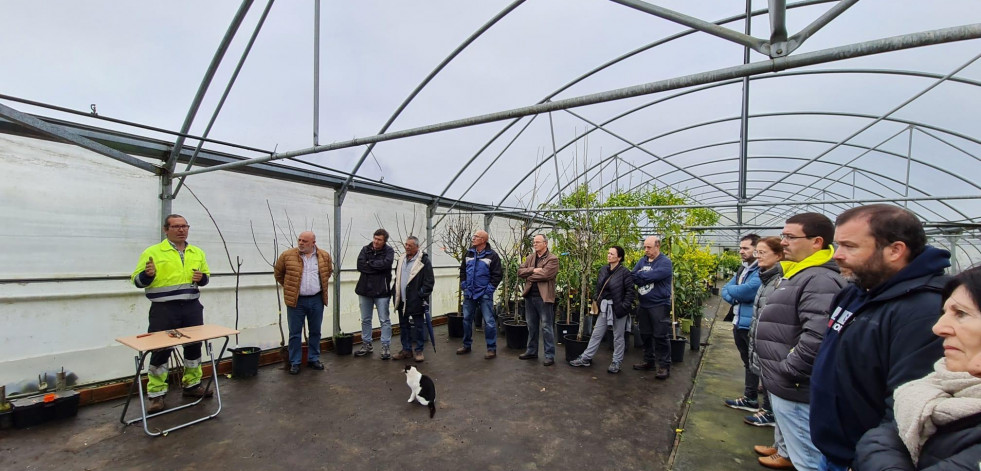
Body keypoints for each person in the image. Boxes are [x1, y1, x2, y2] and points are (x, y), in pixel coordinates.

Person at [810, 205, 950, 471]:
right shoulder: (855, 292)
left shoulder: (925, 311)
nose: (837, 255)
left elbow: (906, 406)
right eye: (838, 244)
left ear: (895, 250)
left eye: (849, 246)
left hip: (862, 460)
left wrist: (866, 460)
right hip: (833, 451)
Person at [854, 266, 981, 470]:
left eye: (961, 314)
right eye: (945, 312)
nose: (938, 328)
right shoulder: (931, 387)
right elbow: (881, 438)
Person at [756, 212, 846, 471]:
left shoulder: (820, 279)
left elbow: (818, 336)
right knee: (798, 451)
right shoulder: (799, 272)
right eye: (783, 235)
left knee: (808, 460)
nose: (783, 242)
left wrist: (789, 369)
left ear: (817, 242)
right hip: (787, 382)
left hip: (796, 383)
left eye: (790, 236)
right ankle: (783, 452)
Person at [131, 214, 212, 413]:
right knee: (160, 349)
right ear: (166, 230)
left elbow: (206, 278)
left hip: (192, 307)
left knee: (193, 347)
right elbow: (137, 281)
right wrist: (147, 275)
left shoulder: (197, 252)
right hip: (164, 309)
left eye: (184, 226)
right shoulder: (153, 252)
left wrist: (201, 278)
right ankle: (157, 394)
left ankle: (192, 385)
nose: (181, 230)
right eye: (176, 226)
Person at [747, 237, 792, 469]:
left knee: (786, 406)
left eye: (762, 252)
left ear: (779, 255)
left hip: (779, 351)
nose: (758, 256)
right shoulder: (768, 278)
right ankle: (781, 447)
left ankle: (787, 452)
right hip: (766, 345)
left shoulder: (783, 280)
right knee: (778, 403)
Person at [274, 231, 333, 375]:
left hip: (316, 299)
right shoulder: (287, 256)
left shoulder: (324, 256)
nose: (301, 243)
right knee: (294, 333)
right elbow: (278, 274)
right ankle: (295, 362)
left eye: (305, 241)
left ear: (313, 243)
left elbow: (328, 272)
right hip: (296, 300)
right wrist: (291, 288)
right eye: (299, 240)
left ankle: (313, 358)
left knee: (315, 331)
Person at [569, 246, 636, 374]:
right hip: (605, 308)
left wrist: (623, 307)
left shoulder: (625, 272)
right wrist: (597, 300)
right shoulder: (604, 270)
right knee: (596, 333)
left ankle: (616, 362)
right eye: (608, 253)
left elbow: (630, 292)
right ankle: (586, 358)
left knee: (618, 337)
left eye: (612, 254)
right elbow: (598, 287)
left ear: (619, 257)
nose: (609, 255)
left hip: (618, 308)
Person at [723, 234, 763, 410]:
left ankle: (752, 399)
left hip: (751, 324)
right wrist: (735, 295)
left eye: (745, 248)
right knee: (747, 362)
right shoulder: (743, 269)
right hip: (738, 321)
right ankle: (750, 397)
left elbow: (747, 292)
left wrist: (736, 293)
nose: (741, 251)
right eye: (740, 248)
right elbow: (726, 290)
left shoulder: (761, 270)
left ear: (756, 249)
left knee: (755, 363)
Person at [631, 236, 673, 379]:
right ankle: (649, 361)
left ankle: (664, 366)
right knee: (645, 334)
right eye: (644, 247)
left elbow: (652, 276)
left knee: (661, 335)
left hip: (659, 305)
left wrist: (642, 275)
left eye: (649, 247)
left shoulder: (665, 262)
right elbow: (633, 276)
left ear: (657, 246)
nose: (646, 250)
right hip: (644, 304)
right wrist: (644, 276)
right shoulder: (642, 261)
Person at [456, 230, 502, 359]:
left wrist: (489, 290)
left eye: (476, 236)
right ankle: (466, 345)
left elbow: (497, 275)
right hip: (469, 292)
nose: (473, 238)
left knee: (489, 322)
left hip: (484, 294)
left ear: (483, 240)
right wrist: (464, 285)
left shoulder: (492, 256)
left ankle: (491, 349)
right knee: (466, 319)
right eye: (474, 236)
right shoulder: (469, 253)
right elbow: (463, 270)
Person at [517, 234, 560, 366]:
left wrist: (529, 275)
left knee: (546, 327)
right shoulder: (531, 258)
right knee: (532, 326)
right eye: (534, 242)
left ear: (545, 243)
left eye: (537, 242)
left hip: (544, 297)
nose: (534, 244)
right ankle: (531, 351)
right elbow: (520, 271)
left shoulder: (552, 259)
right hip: (530, 296)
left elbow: (547, 274)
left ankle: (549, 355)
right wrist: (534, 270)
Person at [392, 236, 434, 362]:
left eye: (410, 245)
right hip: (402, 299)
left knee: (419, 326)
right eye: (406, 245)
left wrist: (420, 294)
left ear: (417, 247)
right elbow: (397, 277)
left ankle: (419, 350)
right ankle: (406, 350)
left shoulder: (424, 261)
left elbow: (429, 281)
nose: (407, 247)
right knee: (404, 325)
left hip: (416, 300)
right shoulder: (401, 259)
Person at [355, 229, 395, 359]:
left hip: (382, 291)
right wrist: (375, 267)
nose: (376, 241)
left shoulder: (389, 251)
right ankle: (367, 344)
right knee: (366, 319)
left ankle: (385, 346)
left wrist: (369, 264)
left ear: (384, 241)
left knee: (384, 320)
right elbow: (360, 265)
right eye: (375, 238)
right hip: (365, 290)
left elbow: (386, 264)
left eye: (379, 240)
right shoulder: (365, 249)